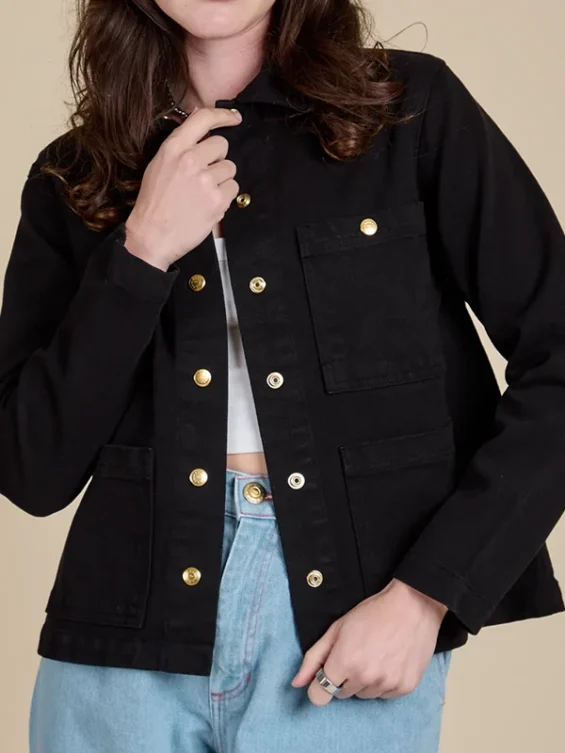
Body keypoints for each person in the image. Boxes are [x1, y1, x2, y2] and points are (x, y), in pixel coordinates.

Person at [2, 1, 564, 751]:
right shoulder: (75, 175)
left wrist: (428, 594)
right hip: (118, 655)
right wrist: (141, 253)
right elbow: (32, 471)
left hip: (344, 637)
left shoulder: (404, 110)